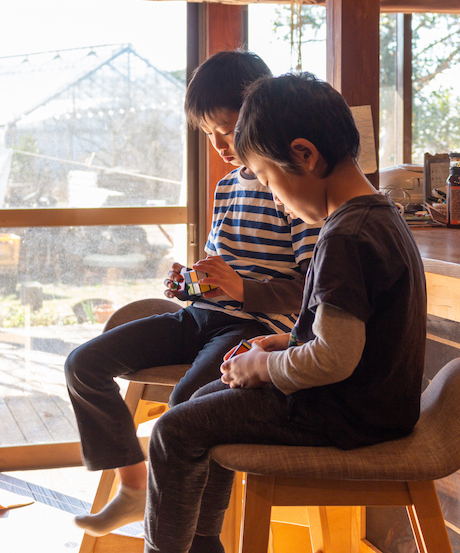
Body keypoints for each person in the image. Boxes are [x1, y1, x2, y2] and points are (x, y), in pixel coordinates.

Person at [143, 72, 427, 553]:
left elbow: (334, 360)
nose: (276, 199)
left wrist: (264, 366)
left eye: (271, 181)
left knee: (174, 429)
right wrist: (283, 343)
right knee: (204, 400)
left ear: (304, 154)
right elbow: (345, 331)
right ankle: (203, 543)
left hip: (342, 412)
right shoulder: (376, 216)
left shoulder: (344, 238)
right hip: (369, 403)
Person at [65, 52, 321, 537]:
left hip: (254, 329)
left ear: (258, 116)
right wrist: (191, 281)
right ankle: (135, 490)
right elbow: (218, 265)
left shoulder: (290, 185)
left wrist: (241, 289)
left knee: (187, 408)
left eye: (227, 130)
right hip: (201, 317)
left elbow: (311, 291)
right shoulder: (227, 187)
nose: (220, 145)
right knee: (82, 364)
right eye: (209, 134)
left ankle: (197, 534)